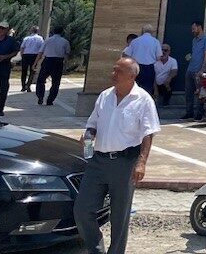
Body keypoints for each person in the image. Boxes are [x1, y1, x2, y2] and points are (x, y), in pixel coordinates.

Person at [75, 57, 159, 254]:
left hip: (125, 163)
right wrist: (88, 137)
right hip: (98, 161)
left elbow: (148, 133)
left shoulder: (143, 100)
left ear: (132, 76)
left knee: (119, 216)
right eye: (113, 70)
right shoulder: (105, 96)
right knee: (82, 210)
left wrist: (142, 162)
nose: (113, 74)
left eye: (118, 72)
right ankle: (96, 250)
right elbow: (92, 124)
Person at [35, 27, 71, 106]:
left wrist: (35, 63)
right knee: (56, 83)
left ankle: (40, 96)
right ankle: (50, 100)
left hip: (48, 61)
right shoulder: (65, 42)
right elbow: (67, 54)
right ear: (62, 32)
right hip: (58, 62)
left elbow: (40, 52)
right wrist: (65, 65)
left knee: (41, 80)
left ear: (53, 32)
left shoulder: (48, 40)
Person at [183, 21, 206, 121]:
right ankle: (189, 112)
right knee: (188, 91)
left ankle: (199, 113)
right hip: (190, 68)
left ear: (199, 27)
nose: (192, 30)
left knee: (200, 93)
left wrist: (202, 69)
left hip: (198, 70)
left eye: (194, 28)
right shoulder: (194, 40)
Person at [123, 25, 162, 96]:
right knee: (147, 91)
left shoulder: (135, 41)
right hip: (149, 68)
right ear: (152, 32)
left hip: (136, 67)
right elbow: (159, 57)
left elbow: (126, 55)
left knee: (134, 89)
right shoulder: (155, 42)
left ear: (142, 31)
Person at [18, 26, 44, 92]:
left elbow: (22, 47)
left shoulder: (26, 38)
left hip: (26, 55)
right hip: (34, 55)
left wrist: (22, 55)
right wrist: (40, 57)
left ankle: (23, 86)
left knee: (24, 71)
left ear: (31, 31)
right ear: (38, 31)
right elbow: (41, 48)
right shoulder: (40, 38)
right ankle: (28, 86)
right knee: (32, 71)